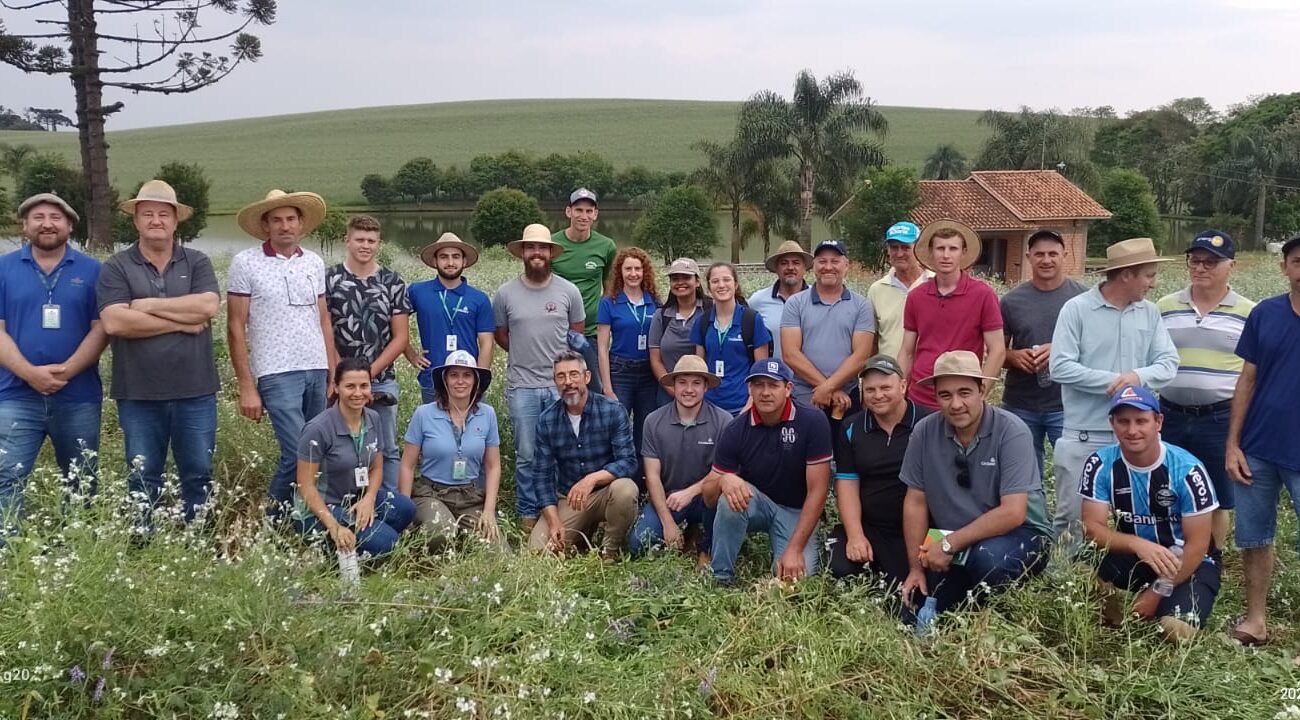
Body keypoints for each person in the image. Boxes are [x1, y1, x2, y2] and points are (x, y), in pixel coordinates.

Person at [97, 180, 220, 523]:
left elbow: (208, 307)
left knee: (198, 471)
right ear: (135, 220)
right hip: (138, 392)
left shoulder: (196, 261)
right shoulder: (117, 266)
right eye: (147, 213)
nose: (156, 220)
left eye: (163, 214)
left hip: (196, 390)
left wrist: (149, 305)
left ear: (175, 220)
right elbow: (116, 322)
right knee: (143, 474)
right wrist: (181, 322)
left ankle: (198, 538)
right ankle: (143, 542)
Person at [898, 351, 1052, 623]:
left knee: (989, 561)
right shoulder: (924, 432)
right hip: (953, 535)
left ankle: (998, 614)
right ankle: (959, 600)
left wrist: (947, 545)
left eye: (965, 392)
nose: (956, 404)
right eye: (945, 395)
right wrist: (916, 566)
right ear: (935, 396)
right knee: (914, 608)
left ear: (982, 389)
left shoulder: (1011, 430)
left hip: (1018, 533)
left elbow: (1013, 513)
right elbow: (915, 501)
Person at [1049, 237, 1178, 552]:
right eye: (1148, 275)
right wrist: (1117, 383)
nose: (1152, 283)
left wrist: (1136, 377)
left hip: (1136, 436)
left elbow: (1169, 362)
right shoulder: (1076, 310)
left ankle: (1130, 579)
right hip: (1085, 434)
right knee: (1073, 518)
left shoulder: (1149, 313)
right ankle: (1068, 582)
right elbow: (1060, 367)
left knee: (1141, 515)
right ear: (1126, 274)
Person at [0, 193, 106, 543]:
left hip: (78, 395)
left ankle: (77, 547)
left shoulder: (93, 271)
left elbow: (101, 328)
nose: (47, 223)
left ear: (70, 225)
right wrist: (31, 373)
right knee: (7, 476)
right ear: (25, 225)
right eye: (38, 217)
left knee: (82, 478)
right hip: (15, 394)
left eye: (56, 217)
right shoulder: (3, 268)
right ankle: (9, 550)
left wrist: (68, 370)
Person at [1081, 385, 1220, 643]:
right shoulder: (1099, 464)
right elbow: (1092, 529)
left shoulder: (1188, 469)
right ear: (1112, 423)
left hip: (1188, 562)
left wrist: (1156, 594)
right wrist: (1137, 544)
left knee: (1175, 630)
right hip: (1137, 555)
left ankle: (1172, 607)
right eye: (1123, 421)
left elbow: (1198, 545)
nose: (1132, 430)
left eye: (1141, 421)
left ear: (1158, 422)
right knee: (1080, 566)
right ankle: (1112, 617)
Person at [227, 189, 337, 516]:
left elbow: (323, 319)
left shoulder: (314, 262)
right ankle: (274, 520)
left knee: (317, 449)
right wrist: (246, 385)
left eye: (291, 219)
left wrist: (333, 371)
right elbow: (235, 325)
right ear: (265, 227)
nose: (284, 226)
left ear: (301, 224)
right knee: (298, 452)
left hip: (316, 368)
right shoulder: (246, 262)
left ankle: (307, 520)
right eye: (276, 220)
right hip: (275, 371)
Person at [1223, 232, 1300, 647]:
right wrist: (1233, 444)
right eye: (1298, 261)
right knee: (1254, 537)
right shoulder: (1265, 314)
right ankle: (1255, 620)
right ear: (1285, 267)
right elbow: (1247, 381)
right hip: (1257, 448)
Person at [1156, 229, 1254, 548]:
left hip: (1220, 418)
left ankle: (1210, 561)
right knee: (1167, 490)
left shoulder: (1250, 313)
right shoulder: (1165, 307)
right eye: (1195, 261)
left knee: (1217, 496)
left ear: (1231, 266)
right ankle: (1170, 555)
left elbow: (1255, 373)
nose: (1200, 268)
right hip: (1170, 413)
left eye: (1210, 262)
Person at [704, 359, 831, 584]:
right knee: (728, 499)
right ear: (749, 389)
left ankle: (790, 548)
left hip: (796, 510)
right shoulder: (735, 429)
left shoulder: (813, 421)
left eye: (773, 385)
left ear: (788, 389)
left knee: (797, 581)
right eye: (758, 385)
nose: (765, 392)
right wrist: (724, 480)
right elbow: (708, 497)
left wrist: (794, 549)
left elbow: (818, 492)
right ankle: (721, 579)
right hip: (757, 502)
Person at [492, 224, 585, 530]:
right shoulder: (505, 293)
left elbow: (576, 337)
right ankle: (528, 512)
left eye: (542, 248)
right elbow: (502, 336)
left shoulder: (568, 291)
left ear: (550, 253)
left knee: (563, 450)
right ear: (522, 252)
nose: (536, 253)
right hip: (523, 387)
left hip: (561, 387)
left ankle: (561, 509)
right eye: (530, 248)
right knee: (528, 454)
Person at [293, 358, 417, 559]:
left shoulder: (373, 418)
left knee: (406, 509)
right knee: (388, 542)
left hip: (355, 498)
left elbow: (376, 468)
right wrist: (334, 526)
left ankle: (359, 537)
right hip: (322, 508)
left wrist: (368, 499)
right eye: (350, 386)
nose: (358, 393)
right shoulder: (318, 429)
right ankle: (331, 546)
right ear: (336, 387)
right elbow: (305, 487)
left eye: (364, 386)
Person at [324, 215, 412, 494]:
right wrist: (341, 377)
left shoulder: (393, 281)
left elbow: (401, 338)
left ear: (379, 243)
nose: (365, 245)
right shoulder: (330, 279)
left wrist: (367, 378)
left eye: (371, 241)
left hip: (382, 379)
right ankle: (344, 502)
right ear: (347, 240)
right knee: (340, 445)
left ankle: (389, 505)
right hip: (338, 379)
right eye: (359, 239)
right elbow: (324, 329)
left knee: (386, 446)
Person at [828, 354, 933, 585]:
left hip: (921, 528)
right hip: (871, 526)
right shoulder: (851, 427)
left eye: (886, 387)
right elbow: (846, 483)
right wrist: (855, 535)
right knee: (838, 568)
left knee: (932, 580)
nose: (878, 395)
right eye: (870, 389)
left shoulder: (929, 424)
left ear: (903, 386)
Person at [523, 351, 639, 558]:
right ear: (555, 382)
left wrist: (592, 479)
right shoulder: (547, 420)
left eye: (574, 374)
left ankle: (610, 551)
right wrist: (553, 520)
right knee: (538, 553)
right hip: (570, 498)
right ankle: (582, 534)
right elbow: (542, 477)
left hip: (606, 493)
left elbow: (628, 462)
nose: (568, 382)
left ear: (587, 377)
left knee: (626, 490)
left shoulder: (612, 410)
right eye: (561, 376)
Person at [999, 230, 1086, 480]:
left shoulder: (1083, 298)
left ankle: (1070, 521)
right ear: (1028, 257)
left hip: (1069, 404)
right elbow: (998, 351)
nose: (1046, 260)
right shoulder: (1011, 301)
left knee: (1073, 475)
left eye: (1052, 254)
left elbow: (1098, 351)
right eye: (1039, 254)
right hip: (1021, 404)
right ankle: (1034, 520)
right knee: (1023, 476)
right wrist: (1014, 356)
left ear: (1064, 256)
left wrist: (1060, 351)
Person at [628, 356, 731, 565]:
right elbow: (652, 475)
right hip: (669, 498)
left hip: (706, 498)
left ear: (706, 387)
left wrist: (691, 492)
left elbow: (724, 471)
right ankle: (682, 528)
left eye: (696, 383)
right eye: (682, 382)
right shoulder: (653, 421)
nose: (689, 389)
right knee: (638, 544)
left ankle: (706, 546)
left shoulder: (723, 421)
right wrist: (667, 523)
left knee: (719, 496)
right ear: (673, 385)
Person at [400, 350, 503, 548]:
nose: (460, 381)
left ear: (476, 380)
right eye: (454, 375)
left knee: (497, 550)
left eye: (467, 375)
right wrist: (405, 511)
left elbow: (493, 466)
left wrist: (489, 510)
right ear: (445, 380)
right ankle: (427, 541)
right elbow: (407, 465)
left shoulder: (487, 414)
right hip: (431, 492)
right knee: (441, 531)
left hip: (469, 495)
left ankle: (464, 538)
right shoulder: (424, 414)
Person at [898, 220, 1004, 410]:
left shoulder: (983, 294)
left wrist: (980, 394)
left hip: (962, 399)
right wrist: (899, 391)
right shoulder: (916, 296)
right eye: (940, 248)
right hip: (921, 396)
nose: (946, 255)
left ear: (963, 253)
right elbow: (907, 351)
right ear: (931, 252)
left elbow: (997, 349)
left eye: (953, 248)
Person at [780, 239, 875, 434]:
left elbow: (861, 356)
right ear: (813, 266)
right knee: (804, 458)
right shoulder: (795, 304)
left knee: (846, 456)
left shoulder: (861, 305)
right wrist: (827, 388)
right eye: (822, 261)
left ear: (846, 266)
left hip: (847, 399)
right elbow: (790, 354)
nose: (828, 267)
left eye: (835, 261)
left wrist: (828, 388)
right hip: (805, 397)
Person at [406, 233, 494, 404]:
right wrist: (411, 354)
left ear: (464, 261)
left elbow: (487, 342)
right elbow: (395, 323)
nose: (450, 262)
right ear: (434, 261)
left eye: (456, 257)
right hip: (432, 379)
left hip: (467, 381)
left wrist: (479, 380)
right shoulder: (417, 291)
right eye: (444, 257)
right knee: (435, 430)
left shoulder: (479, 298)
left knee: (473, 430)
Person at [596, 247, 660, 470]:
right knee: (617, 426)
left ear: (645, 272)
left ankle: (642, 480)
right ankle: (616, 474)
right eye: (628, 269)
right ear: (620, 272)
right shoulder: (609, 303)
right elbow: (602, 347)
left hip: (648, 373)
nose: (633, 273)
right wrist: (607, 386)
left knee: (645, 428)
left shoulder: (654, 302)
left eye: (638, 268)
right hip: (620, 370)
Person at [551, 188, 616, 395]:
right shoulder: (552, 244)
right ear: (568, 212)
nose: (584, 216)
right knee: (561, 390)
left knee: (594, 391)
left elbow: (609, 286)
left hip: (591, 334)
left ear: (596, 215)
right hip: (557, 333)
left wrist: (604, 321)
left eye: (589, 211)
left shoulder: (606, 246)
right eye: (579, 210)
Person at [691, 262, 771, 415]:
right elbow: (698, 368)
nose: (721, 285)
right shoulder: (702, 322)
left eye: (726, 280)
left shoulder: (751, 319)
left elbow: (761, 370)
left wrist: (750, 405)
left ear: (735, 284)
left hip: (742, 405)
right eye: (715, 281)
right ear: (708, 288)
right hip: (709, 406)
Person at [867, 222, 932, 358]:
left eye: (905, 247)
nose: (899, 253)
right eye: (894, 248)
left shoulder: (935, 284)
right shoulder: (877, 290)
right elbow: (872, 340)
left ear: (918, 248)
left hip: (927, 374)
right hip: (889, 374)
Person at [648, 258, 705, 403]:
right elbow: (655, 359)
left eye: (686, 277)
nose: (680, 282)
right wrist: (673, 390)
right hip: (667, 393)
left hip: (703, 392)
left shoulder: (709, 311)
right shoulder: (661, 316)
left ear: (697, 281)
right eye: (675, 279)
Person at [747, 240, 811, 361]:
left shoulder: (817, 298)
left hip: (811, 377)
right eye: (784, 263)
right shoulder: (757, 301)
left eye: (796, 263)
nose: (790, 267)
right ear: (776, 268)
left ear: (805, 268)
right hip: (773, 377)